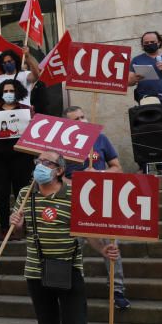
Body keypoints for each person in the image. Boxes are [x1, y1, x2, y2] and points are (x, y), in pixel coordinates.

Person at [9, 151, 120, 324]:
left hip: (69, 269)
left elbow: (86, 230)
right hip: (36, 271)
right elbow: (18, 231)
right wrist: (16, 223)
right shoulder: (27, 192)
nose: (40, 166)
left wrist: (103, 249)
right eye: (38, 162)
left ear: (59, 170)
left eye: (47, 163)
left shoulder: (73, 194)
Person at [63, 107, 129, 311]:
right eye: (76, 119)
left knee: (110, 244)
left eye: (83, 116)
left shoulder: (100, 139)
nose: (82, 120)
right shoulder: (62, 144)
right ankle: (73, 288)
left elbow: (117, 167)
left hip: (100, 199)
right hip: (74, 199)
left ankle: (117, 290)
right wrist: (75, 182)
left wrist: (99, 174)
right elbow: (58, 175)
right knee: (74, 245)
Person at [0, 79, 35, 240]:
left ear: (17, 92)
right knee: (2, 195)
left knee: (22, 194)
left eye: (11, 91)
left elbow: (36, 135)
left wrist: (33, 124)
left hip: (22, 158)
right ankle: (5, 229)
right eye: (5, 91)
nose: (8, 94)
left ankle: (22, 228)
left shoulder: (26, 110)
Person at [128, 31, 162, 104]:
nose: (149, 44)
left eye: (152, 42)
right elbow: (129, 82)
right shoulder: (136, 60)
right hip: (144, 99)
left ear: (159, 42)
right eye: (146, 43)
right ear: (142, 45)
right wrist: (135, 79)